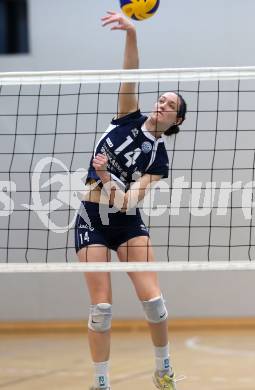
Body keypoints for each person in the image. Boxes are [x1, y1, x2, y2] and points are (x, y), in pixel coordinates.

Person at [75, 11, 187, 390]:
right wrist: (132, 32)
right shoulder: (126, 116)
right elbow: (130, 70)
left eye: (170, 105)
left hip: (125, 221)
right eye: (161, 99)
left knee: (153, 302)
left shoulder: (159, 158)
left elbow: (126, 203)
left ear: (176, 122)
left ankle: (163, 369)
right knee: (102, 310)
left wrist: (105, 175)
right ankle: (101, 382)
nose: (162, 104)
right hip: (91, 219)